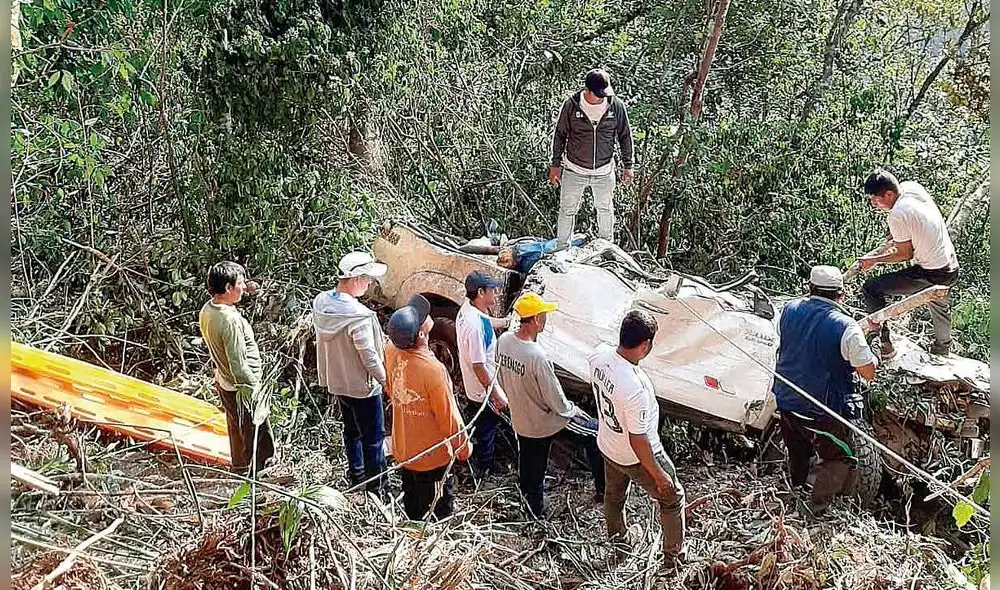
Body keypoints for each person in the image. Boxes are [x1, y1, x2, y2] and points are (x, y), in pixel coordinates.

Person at [773, 266, 878, 517]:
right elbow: (868, 372)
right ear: (841, 295)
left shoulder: (789, 310)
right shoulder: (846, 326)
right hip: (819, 408)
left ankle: (795, 490)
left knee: (798, 449)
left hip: (786, 398)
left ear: (810, 288)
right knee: (841, 458)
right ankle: (816, 510)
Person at [496, 292, 605, 519]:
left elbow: (502, 377)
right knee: (595, 434)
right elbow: (556, 401)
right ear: (535, 320)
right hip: (546, 422)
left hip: (522, 420)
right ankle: (603, 491)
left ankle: (533, 513)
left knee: (530, 470)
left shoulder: (504, 341)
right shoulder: (537, 357)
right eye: (544, 315)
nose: (546, 319)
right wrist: (573, 410)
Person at [589, 310, 686, 564]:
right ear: (646, 345)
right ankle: (673, 557)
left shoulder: (598, 356)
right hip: (636, 455)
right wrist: (658, 475)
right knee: (672, 499)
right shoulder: (635, 387)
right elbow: (639, 440)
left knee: (613, 497)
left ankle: (619, 545)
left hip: (609, 445)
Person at [385, 294, 472, 521]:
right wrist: (463, 449)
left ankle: (413, 538)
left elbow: (389, 388)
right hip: (432, 458)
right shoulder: (432, 370)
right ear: (421, 334)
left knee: (413, 504)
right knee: (438, 510)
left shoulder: (391, 351)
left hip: (404, 450)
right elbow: (448, 418)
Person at [858, 169, 960, 358]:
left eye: (875, 200)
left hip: (932, 272)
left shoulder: (897, 214)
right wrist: (898, 235)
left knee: (871, 289)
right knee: (939, 305)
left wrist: (874, 260)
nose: (874, 205)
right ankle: (942, 348)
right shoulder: (911, 188)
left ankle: (884, 343)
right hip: (950, 264)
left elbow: (905, 254)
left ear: (889, 194)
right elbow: (915, 224)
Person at [312, 251, 389, 496]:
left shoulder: (322, 303)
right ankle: (377, 488)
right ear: (355, 279)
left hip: (337, 381)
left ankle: (356, 475)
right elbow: (369, 356)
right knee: (374, 438)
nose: (368, 284)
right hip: (363, 387)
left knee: (351, 431)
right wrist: (386, 381)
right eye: (366, 279)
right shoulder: (359, 317)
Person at [198, 261, 274, 474]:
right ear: (228, 288)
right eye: (240, 283)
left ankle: (240, 468)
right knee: (254, 432)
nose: (244, 287)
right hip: (240, 387)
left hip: (224, 382)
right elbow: (238, 364)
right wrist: (253, 389)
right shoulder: (229, 320)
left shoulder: (208, 309)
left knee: (236, 429)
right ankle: (257, 474)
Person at [549, 68, 635, 249]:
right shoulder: (571, 106)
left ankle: (606, 249)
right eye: (598, 94)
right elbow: (560, 135)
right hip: (574, 169)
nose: (602, 97)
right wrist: (555, 164)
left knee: (605, 209)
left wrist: (628, 165)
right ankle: (562, 249)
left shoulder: (615, 105)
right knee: (567, 210)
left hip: (604, 171)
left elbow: (625, 135)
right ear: (587, 91)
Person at [455, 271, 511, 475]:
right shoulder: (474, 327)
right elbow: (479, 365)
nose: (496, 294)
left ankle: (484, 459)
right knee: (486, 428)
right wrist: (496, 394)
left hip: (475, 385)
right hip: (482, 389)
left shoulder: (468, 309)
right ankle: (484, 468)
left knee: (485, 425)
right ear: (480, 292)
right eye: (492, 290)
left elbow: (485, 320)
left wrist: (506, 322)